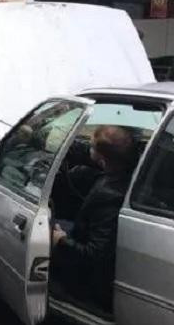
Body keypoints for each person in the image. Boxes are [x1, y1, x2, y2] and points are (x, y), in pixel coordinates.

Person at [52, 125, 138, 313]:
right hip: (96, 242)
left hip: (92, 277)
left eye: (91, 146)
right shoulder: (128, 169)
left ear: (101, 157)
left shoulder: (108, 195)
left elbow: (95, 254)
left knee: (44, 228)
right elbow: (90, 153)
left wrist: (60, 240)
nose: (88, 149)